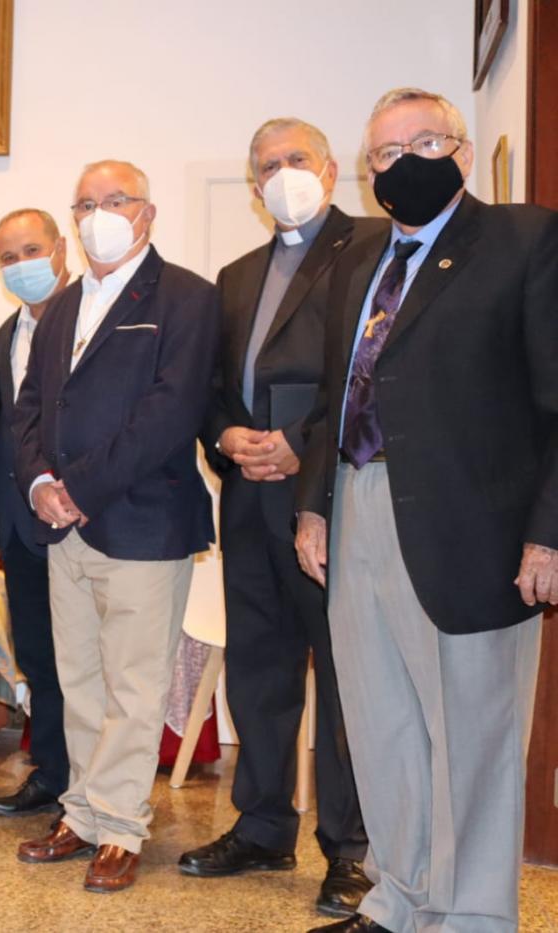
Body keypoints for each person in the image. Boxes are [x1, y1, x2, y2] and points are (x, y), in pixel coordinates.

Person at [295, 88, 558, 933]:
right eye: (384, 152)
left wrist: (548, 531)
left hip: (473, 528)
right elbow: (332, 393)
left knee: (475, 736)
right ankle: (399, 899)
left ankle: (474, 915)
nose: (402, 161)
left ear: (463, 151)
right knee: (380, 725)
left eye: (422, 142)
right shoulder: (358, 256)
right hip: (359, 509)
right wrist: (314, 508)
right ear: (368, 171)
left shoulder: (523, 239)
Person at [179, 118, 377, 919]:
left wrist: (300, 446)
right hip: (250, 498)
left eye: (297, 159)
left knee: (342, 677)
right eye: (267, 165)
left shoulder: (371, 249)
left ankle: (351, 848)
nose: (282, 173)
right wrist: (225, 435)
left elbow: (370, 371)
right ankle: (262, 825)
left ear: (330, 169)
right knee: (258, 667)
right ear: (254, 186)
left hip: (330, 493)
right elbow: (215, 385)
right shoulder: (235, 274)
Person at [12, 161, 218, 893]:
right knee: (80, 679)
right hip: (63, 527)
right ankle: (83, 815)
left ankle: (123, 826)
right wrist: (39, 481)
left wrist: (78, 488)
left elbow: (169, 413)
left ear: (148, 212)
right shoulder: (63, 305)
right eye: (87, 203)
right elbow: (32, 403)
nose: (100, 212)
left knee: (134, 684)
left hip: (141, 520)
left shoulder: (188, 297)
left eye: (115, 200)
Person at [0, 208, 71, 817]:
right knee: (38, 655)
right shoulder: (2, 338)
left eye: (31, 250)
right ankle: (53, 776)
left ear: (61, 250)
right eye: (9, 258)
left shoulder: (90, 322)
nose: (22, 266)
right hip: (18, 525)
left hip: (77, 519)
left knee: (86, 660)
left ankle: (98, 788)